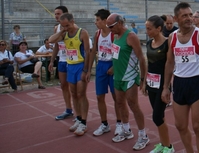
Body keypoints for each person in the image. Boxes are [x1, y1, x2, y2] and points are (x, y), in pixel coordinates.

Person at [161, 2, 199, 153]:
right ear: (175, 18)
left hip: (197, 82)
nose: (189, 18)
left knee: (198, 126)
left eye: (190, 15)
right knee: (180, 125)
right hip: (179, 83)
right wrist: (166, 87)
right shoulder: (172, 37)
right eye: (184, 15)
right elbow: (169, 63)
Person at [107, 13, 149, 150]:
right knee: (119, 103)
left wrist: (143, 79)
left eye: (111, 26)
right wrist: (114, 67)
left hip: (130, 76)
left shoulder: (131, 36)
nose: (109, 29)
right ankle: (126, 130)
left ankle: (143, 135)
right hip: (117, 76)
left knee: (133, 105)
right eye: (108, 27)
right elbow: (118, 54)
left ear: (119, 23)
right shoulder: (115, 36)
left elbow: (141, 59)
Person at [49, 13, 91, 136]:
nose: (66, 28)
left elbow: (88, 52)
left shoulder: (82, 32)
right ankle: (78, 118)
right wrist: (62, 30)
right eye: (63, 26)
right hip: (70, 66)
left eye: (67, 25)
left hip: (80, 65)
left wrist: (86, 70)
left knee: (81, 94)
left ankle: (84, 122)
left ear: (73, 21)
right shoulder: (64, 33)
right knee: (73, 93)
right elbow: (51, 40)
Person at [88, 9, 122, 137]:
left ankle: (119, 123)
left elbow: (118, 52)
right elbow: (93, 51)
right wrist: (88, 69)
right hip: (101, 66)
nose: (95, 22)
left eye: (97, 20)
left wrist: (114, 66)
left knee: (116, 97)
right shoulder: (97, 34)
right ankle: (104, 124)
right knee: (99, 97)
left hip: (112, 66)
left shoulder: (113, 35)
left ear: (104, 21)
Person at [145, 15, 174, 153]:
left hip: (163, 85)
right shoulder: (149, 43)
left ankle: (169, 146)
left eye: (149, 29)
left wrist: (166, 87)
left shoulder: (168, 43)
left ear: (158, 28)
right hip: (151, 84)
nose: (147, 31)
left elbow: (170, 65)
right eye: (146, 28)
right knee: (159, 116)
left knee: (156, 116)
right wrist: (144, 82)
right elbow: (148, 64)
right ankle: (163, 144)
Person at [48, 6, 74, 120]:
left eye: (58, 13)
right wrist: (52, 60)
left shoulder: (72, 27)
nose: (56, 16)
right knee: (64, 86)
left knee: (74, 88)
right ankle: (68, 109)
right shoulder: (56, 28)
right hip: (62, 59)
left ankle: (79, 113)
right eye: (55, 14)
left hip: (72, 60)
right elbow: (56, 46)